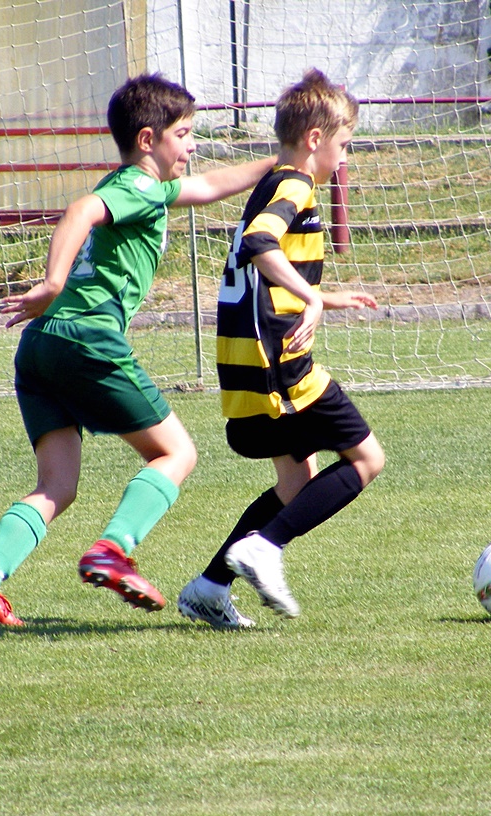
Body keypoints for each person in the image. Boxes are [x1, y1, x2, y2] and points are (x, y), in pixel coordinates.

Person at [0, 73, 276, 627]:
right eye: (184, 134)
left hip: (41, 344)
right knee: (176, 454)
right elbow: (80, 211)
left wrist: (281, 162)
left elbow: (210, 185)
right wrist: (52, 282)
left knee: (57, 486)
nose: (192, 147)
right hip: (87, 337)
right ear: (148, 140)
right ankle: (113, 549)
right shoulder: (139, 186)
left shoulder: (147, 188)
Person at [177, 69, 385, 630]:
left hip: (247, 366)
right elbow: (259, 243)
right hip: (279, 368)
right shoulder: (294, 184)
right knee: (367, 459)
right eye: (344, 144)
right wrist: (310, 299)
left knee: (295, 484)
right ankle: (265, 547)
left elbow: (264, 266)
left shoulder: (275, 182)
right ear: (315, 138)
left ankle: (209, 588)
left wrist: (323, 297)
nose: (346, 156)